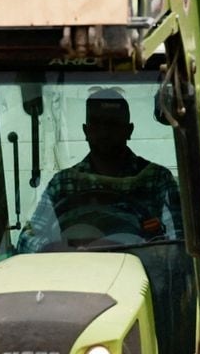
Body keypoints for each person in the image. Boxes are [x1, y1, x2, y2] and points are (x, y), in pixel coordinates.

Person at [20, 90, 181, 251]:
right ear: (86, 131)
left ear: (129, 130)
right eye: (96, 123)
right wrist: (56, 249)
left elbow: (178, 240)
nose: (104, 132)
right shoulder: (62, 183)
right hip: (71, 272)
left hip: (142, 272)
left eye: (113, 124)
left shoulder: (156, 178)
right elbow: (27, 239)